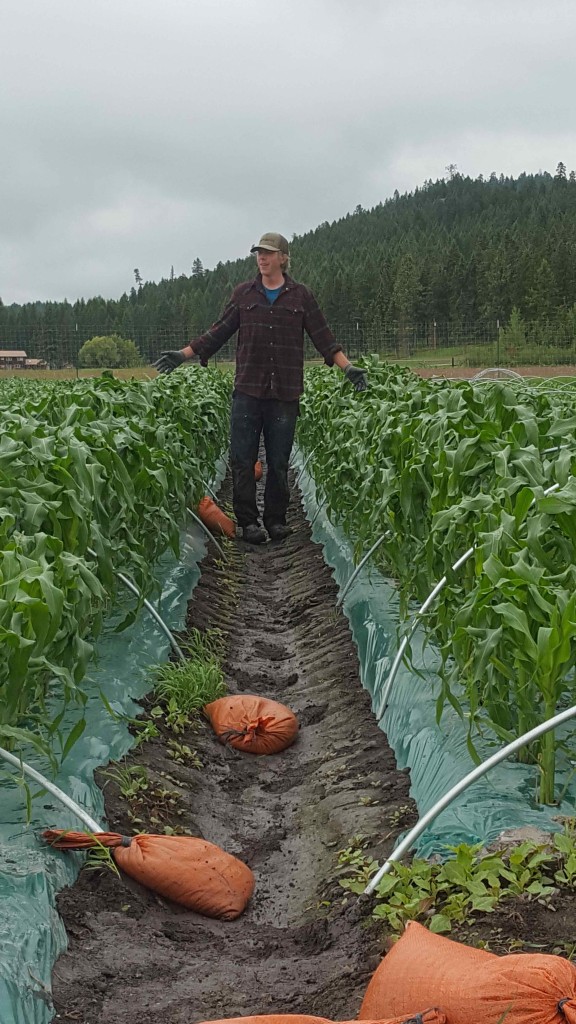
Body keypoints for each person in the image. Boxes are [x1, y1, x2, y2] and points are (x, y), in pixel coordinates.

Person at [155, 232, 367, 544]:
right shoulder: (244, 294)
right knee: (242, 459)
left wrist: (347, 367)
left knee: (279, 460)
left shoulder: (300, 297)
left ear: (283, 257)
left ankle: (276, 520)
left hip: (284, 394)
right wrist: (183, 354)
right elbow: (218, 332)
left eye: (268, 253)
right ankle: (249, 523)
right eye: (258, 253)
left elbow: (324, 337)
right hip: (248, 393)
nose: (262, 258)